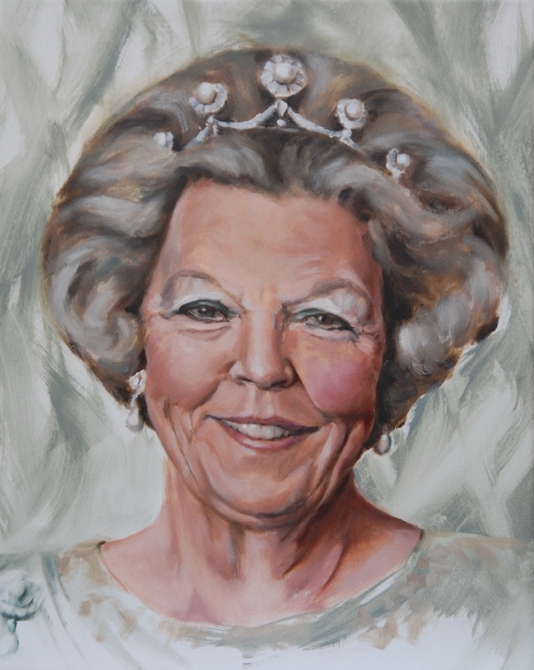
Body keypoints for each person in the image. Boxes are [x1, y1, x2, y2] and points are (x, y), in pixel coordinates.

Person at [0, 48, 531, 669]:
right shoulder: (21, 627)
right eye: (205, 309)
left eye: (325, 319)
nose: (263, 367)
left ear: (393, 353)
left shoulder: (511, 614)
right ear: (131, 332)